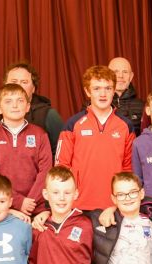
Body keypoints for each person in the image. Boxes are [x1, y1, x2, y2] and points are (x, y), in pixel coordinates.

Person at [56, 65, 135, 210]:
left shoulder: (126, 126)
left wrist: (122, 201)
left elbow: (128, 169)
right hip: (79, 205)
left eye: (108, 88)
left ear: (114, 91)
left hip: (115, 206)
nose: (103, 94)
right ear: (87, 91)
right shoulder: (73, 124)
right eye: (97, 88)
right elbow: (61, 167)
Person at [0, 84, 52, 217]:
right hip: (4, 208)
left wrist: (31, 202)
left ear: (28, 107)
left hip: (36, 207)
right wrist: (19, 201)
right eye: (8, 101)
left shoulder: (40, 134)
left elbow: (45, 171)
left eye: (20, 101)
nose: (15, 105)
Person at [0, 61, 64, 159]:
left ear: (33, 88)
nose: (18, 86)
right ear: (4, 85)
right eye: (14, 81)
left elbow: (59, 154)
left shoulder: (49, 115)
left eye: (24, 82)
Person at [108, 57, 144, 135]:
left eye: (125, 72)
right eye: (115, 71)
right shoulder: (92, 105)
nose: (120, 76)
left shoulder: (143, 105)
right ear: (107, 75)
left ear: (131, 76)